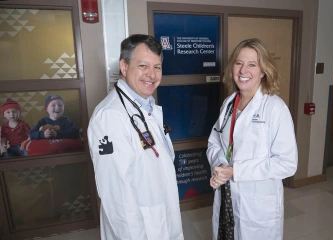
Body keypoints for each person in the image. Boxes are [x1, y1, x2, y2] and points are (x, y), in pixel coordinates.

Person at [87, 34, 184, 240]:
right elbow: (117, 194)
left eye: (157, 67)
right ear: (124, 66)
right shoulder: (110, 116)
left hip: (160, 219)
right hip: (137, 230)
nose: (152, 74)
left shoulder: (146, 107)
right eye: (143, 66)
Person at [207, 38, 298, 240]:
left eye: (252, 64)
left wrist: (236, 171)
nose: (243, 70)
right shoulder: (229, 104)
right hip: (227, 196)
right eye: (238, 63)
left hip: (257, 206)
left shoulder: (275, 108)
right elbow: (214, 142)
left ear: (264, 70)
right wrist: (221, 164)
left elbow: (287, 164)